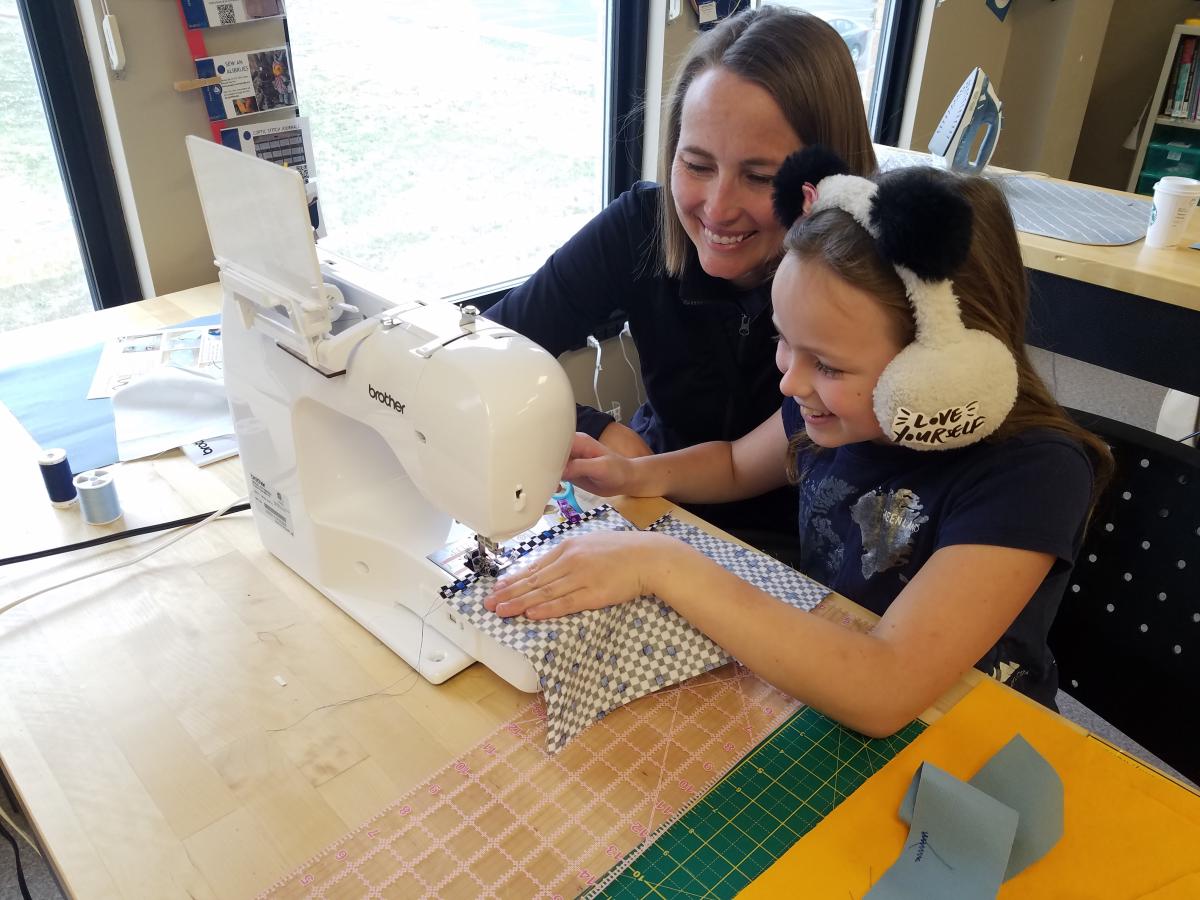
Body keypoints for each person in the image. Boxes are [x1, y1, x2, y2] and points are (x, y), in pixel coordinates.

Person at [483, 153, 1113, 738]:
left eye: (829, 366)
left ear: (940, 372)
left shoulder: (1033, 475)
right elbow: (731, 464)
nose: (790, 380)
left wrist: (659, 564)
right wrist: (632, 473)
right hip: (827, 674)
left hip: (970, 740)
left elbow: (885, 684)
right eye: (786, 341)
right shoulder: (835, 411)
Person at [485, 6, 875, 542]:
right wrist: (604, 431)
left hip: (801, 549)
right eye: (696, 165)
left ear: (830, 181)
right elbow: (488, 353)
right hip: (649, 496)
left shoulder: (875, 284)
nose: (718, 208)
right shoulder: (639, 225)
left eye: (759, 176)